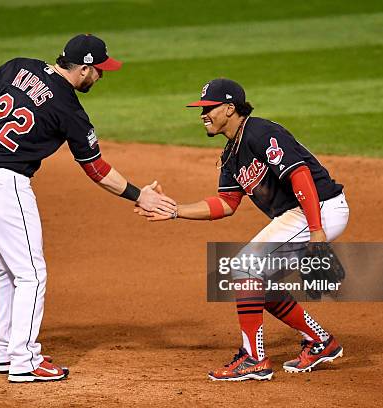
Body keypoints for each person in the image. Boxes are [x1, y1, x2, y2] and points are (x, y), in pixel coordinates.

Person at [0, 34, 176, 383]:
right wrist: (140, 195)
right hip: (6, 186)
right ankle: (24, 360)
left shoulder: (18, 67)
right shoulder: (69, 109)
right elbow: (96, 170)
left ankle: (3, 351)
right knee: (31, 274)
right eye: (99, 71)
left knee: (4, 270)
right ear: (85, 69)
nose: (101, 77)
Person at [135, 78, 349, 381]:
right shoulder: (231, 154)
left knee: (245, 269)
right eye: (201, 109)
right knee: (256, 278)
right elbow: (226, 203)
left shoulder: (260, 132)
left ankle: (254, 359)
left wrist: (317, 233)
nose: (203, 115)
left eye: (209, 108)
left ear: (230, 108)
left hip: (319, 207)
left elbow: (300, 174)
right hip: (301, 213)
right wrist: (175, 211)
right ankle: (320, 341)